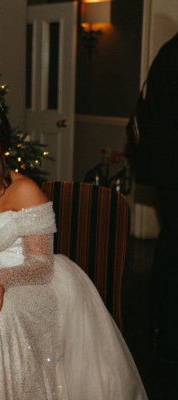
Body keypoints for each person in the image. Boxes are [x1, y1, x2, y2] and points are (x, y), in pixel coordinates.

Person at [0, 96, 148, 399]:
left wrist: (0, 278)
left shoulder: (23, 190)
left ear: (1, 144)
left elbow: (42, 265)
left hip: (33, 282)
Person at [136, 32, 178, 363]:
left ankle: (157, 326)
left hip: (167, 171)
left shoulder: (167, 52)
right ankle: (165, 330)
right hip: (172, 169)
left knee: (170, 244)